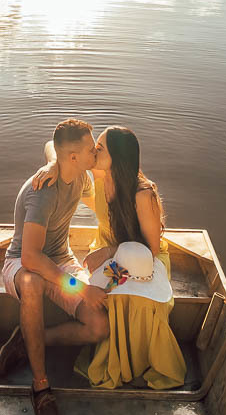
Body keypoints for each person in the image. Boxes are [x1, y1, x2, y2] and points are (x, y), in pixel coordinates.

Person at [33, 125, 186, 389]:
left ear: (117, 157)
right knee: (100, 297)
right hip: (107, 250)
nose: (93, 152)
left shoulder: (143, 194)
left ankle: (132, 361)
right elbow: (52, 144)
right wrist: (52, 166)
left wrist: (111, 251)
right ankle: (37, 338)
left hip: (141, 258)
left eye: (100, 149)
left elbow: (150, 249)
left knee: (136, 301)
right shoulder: (98, 174)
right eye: (94, 148)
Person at [0, 118, 109, 415]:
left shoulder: (79, 174)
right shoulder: (43, 193)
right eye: (91, 148)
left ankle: (29, 340)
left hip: (60, 260)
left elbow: (53, 147)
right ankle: (41, 387)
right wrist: (79, 288)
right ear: (73, 157)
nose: (96, 151)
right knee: (33, 283)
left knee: (99, 328)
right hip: (21, 263)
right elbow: (31, 259)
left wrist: (51, 161)